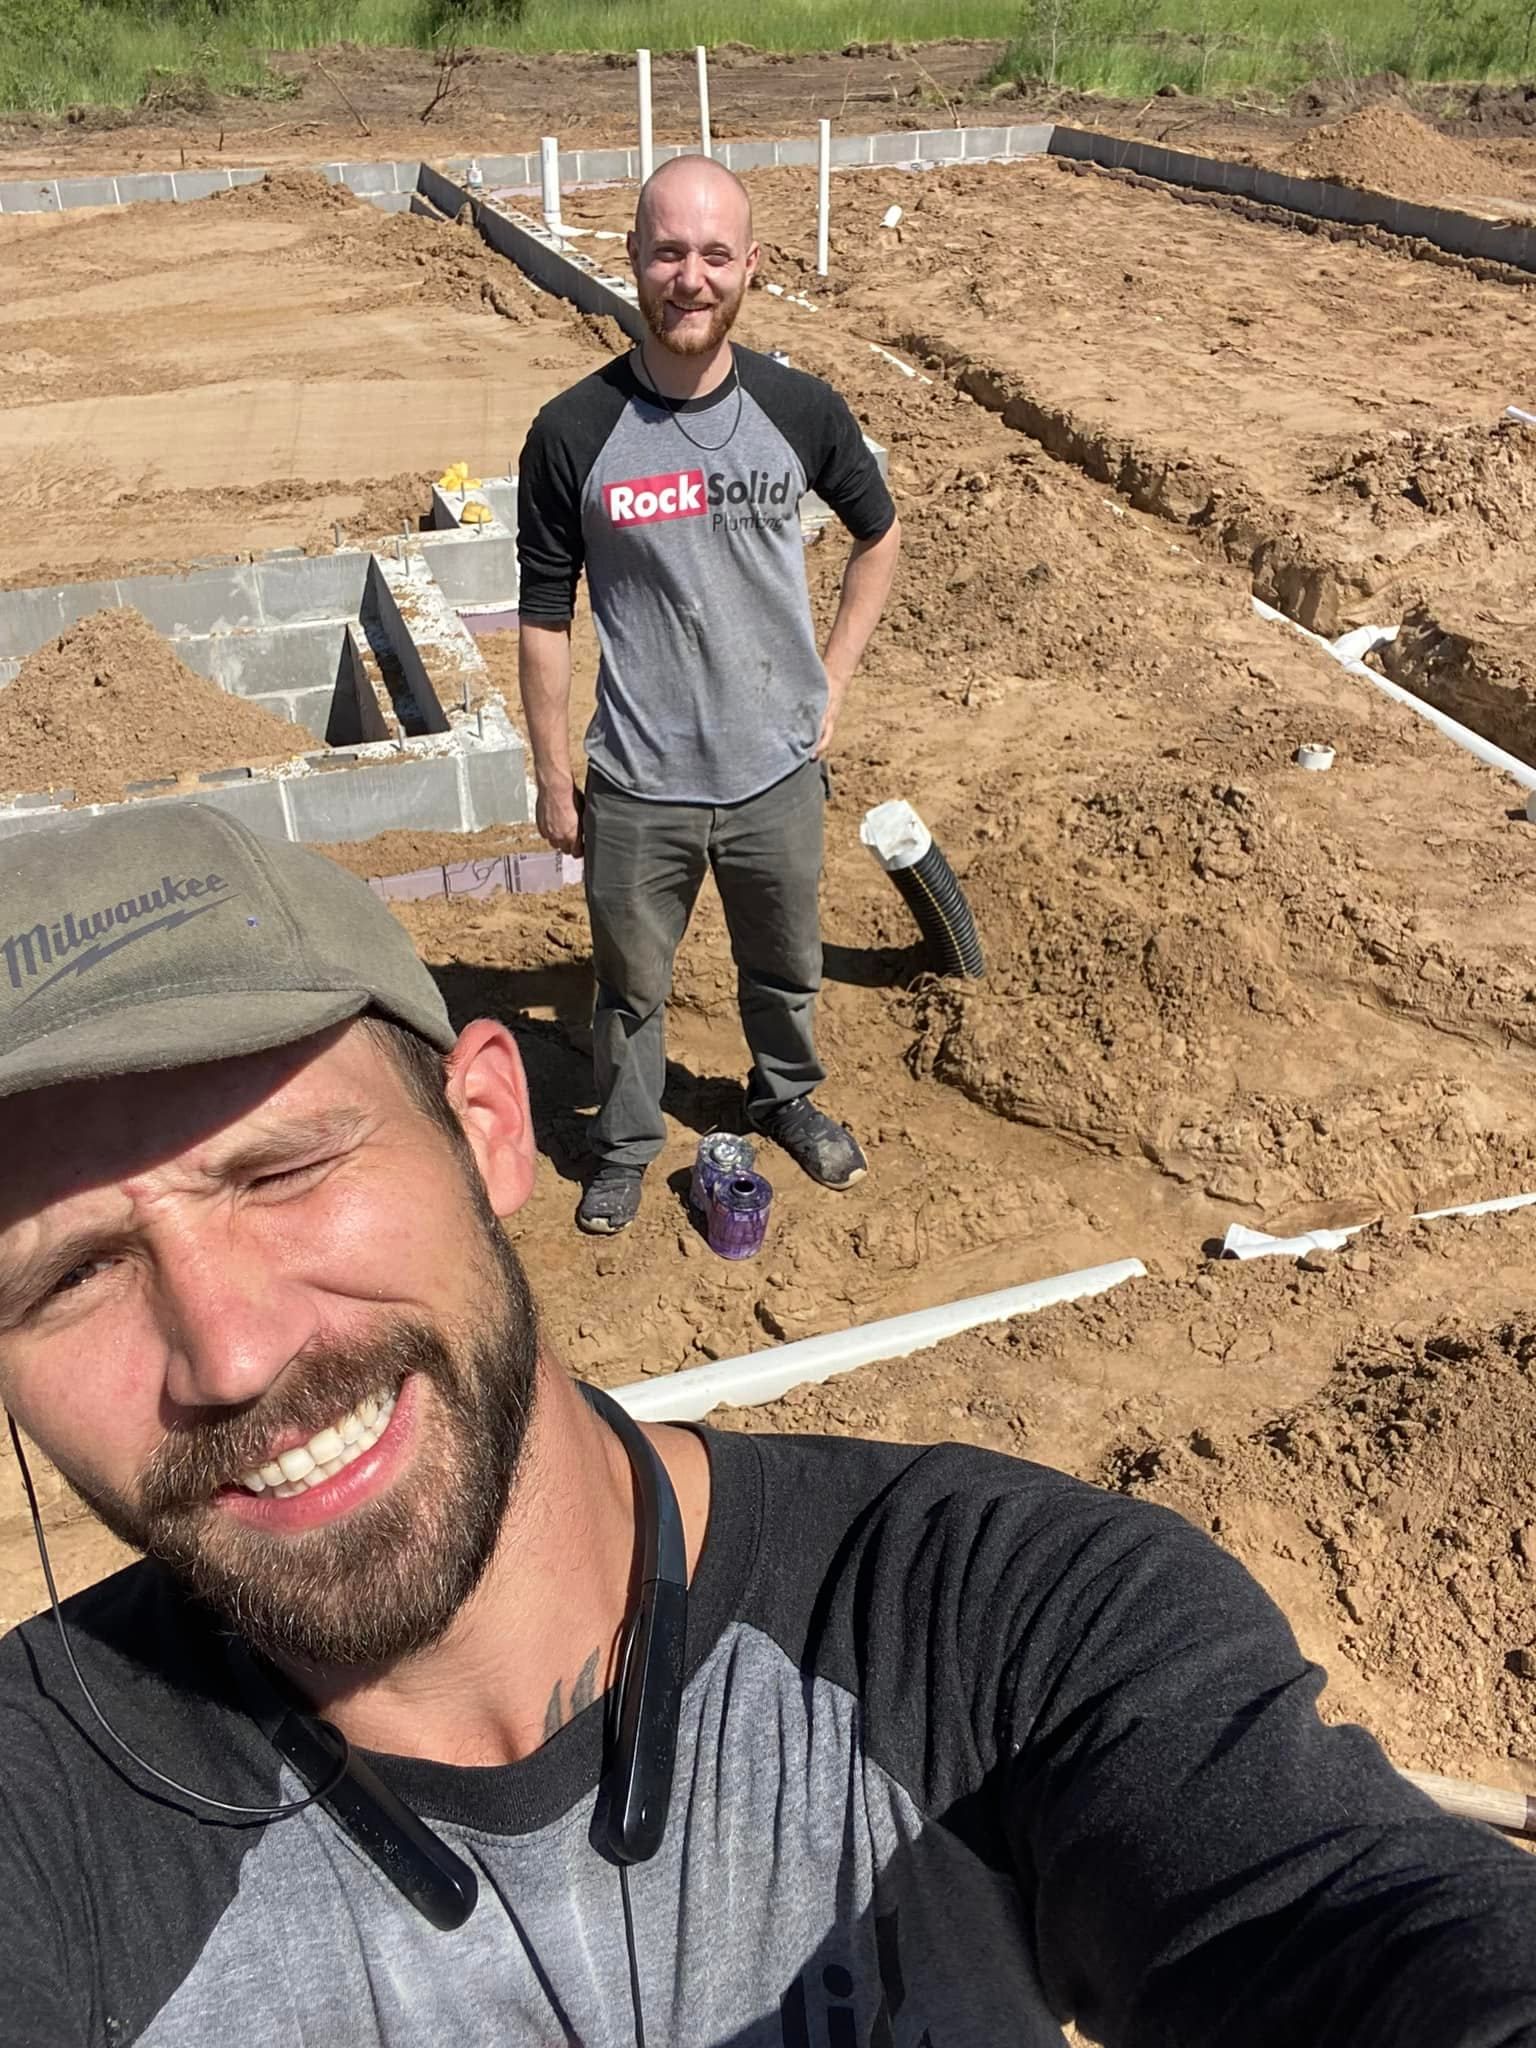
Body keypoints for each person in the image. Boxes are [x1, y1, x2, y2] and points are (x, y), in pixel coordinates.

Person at [1, 802, 1534, 2048]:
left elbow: (1349, 1928)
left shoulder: (978, 1620)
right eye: (71, 1273)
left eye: (281, 1173)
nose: (233, 1348)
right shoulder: (41, 1825)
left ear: (488, 1128)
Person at [516, 155, 901, 1236]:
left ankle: (784, 1095)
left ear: (751, 270)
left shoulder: (798, 408)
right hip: (638, 783)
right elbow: (546, 617)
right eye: (670, 251)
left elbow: (881, 534)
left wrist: (835, 677)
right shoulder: (571, 433)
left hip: (777, 769)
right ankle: (627, 1143)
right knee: (629, 986)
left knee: (784, 962)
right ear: (634, 260)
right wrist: (554, 776)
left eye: (714, 255)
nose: (691, 276)